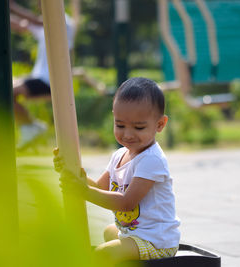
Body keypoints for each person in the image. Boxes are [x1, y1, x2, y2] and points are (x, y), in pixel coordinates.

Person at [53, 77, 180, 265]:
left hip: (156, 240)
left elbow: (127, 203)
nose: (127, 134)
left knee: (102, 254)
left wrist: (83, 192)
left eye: (138, 127)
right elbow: (98, 186)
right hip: (137, 233)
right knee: (108, 231)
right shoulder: (119, 155)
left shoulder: (152, 160)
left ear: (160, 124)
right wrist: (71, 172)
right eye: (120, 125)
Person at [10, 0, 76, 149]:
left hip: (51, 81)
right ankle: (31, 127)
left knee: (10, 92)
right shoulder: (44, 27)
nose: (39, 6)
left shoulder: (63, 21)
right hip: (39, 77)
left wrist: (12, 7)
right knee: (6, 91)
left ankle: (31, 127)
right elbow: (21, 26)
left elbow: (36, 21)